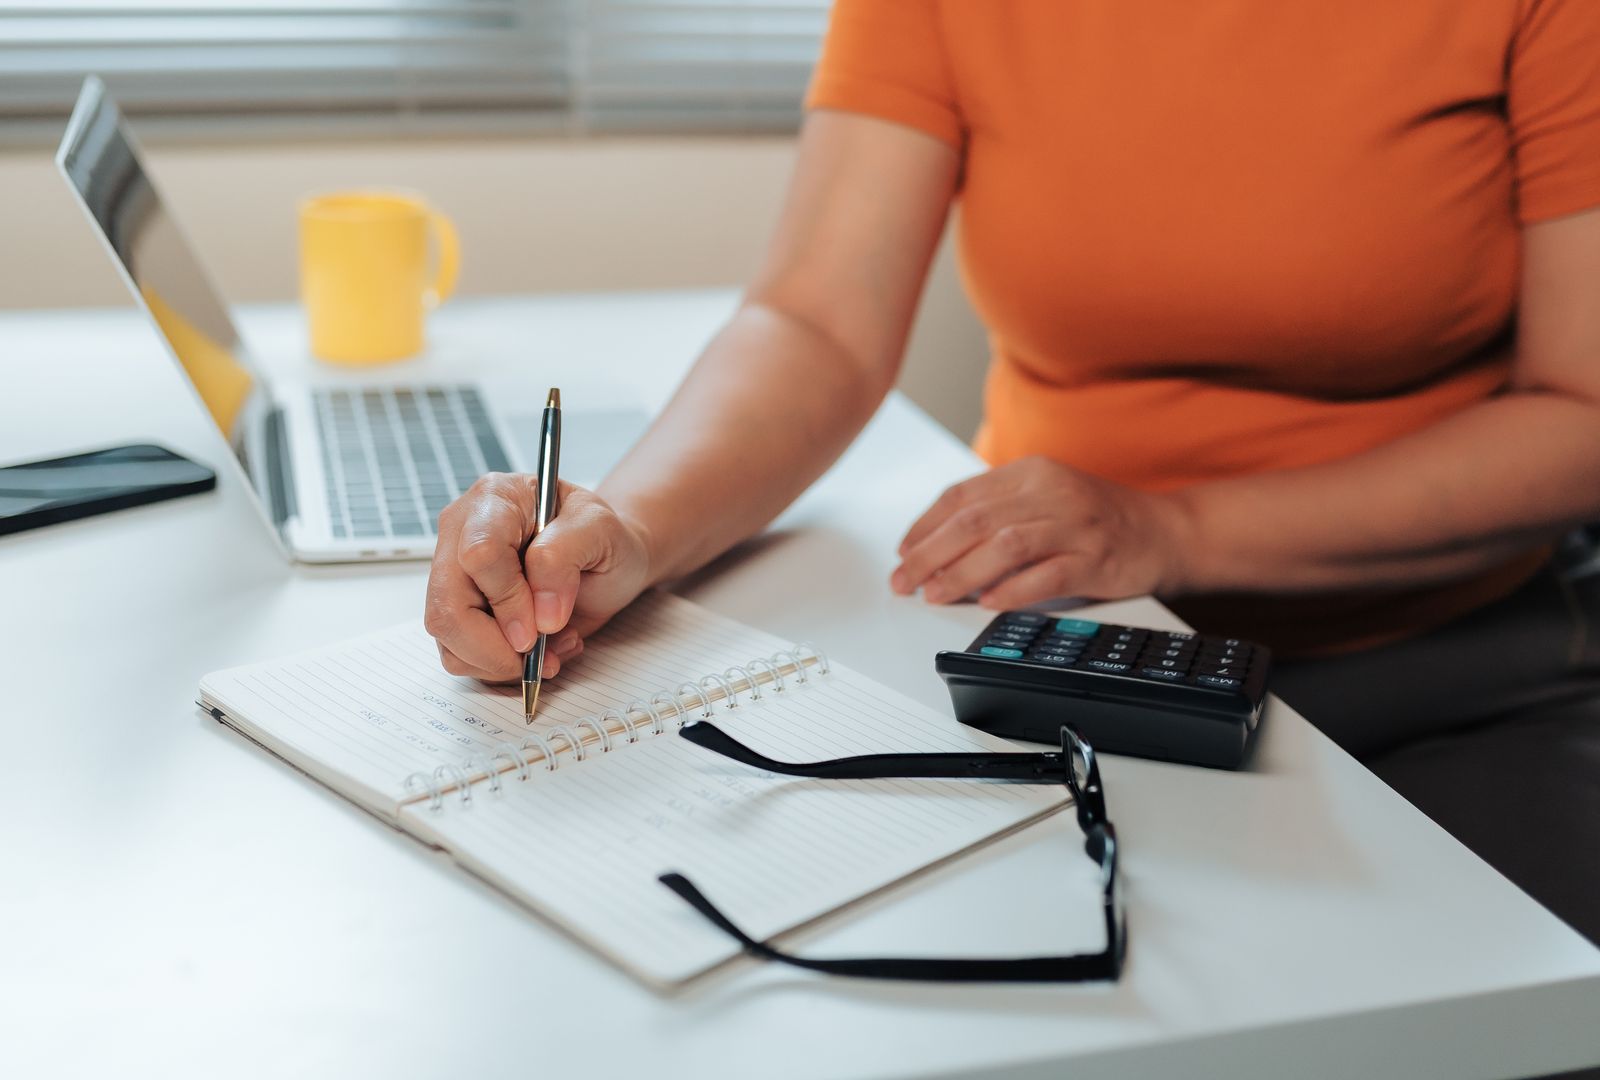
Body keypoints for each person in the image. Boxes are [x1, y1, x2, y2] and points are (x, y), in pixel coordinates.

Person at [423, 2, 1600, 941]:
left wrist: (1175, 529)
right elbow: (820, 319)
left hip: (1452, 674)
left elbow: (1582, 413)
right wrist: (629, 530)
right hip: (1062, 658)